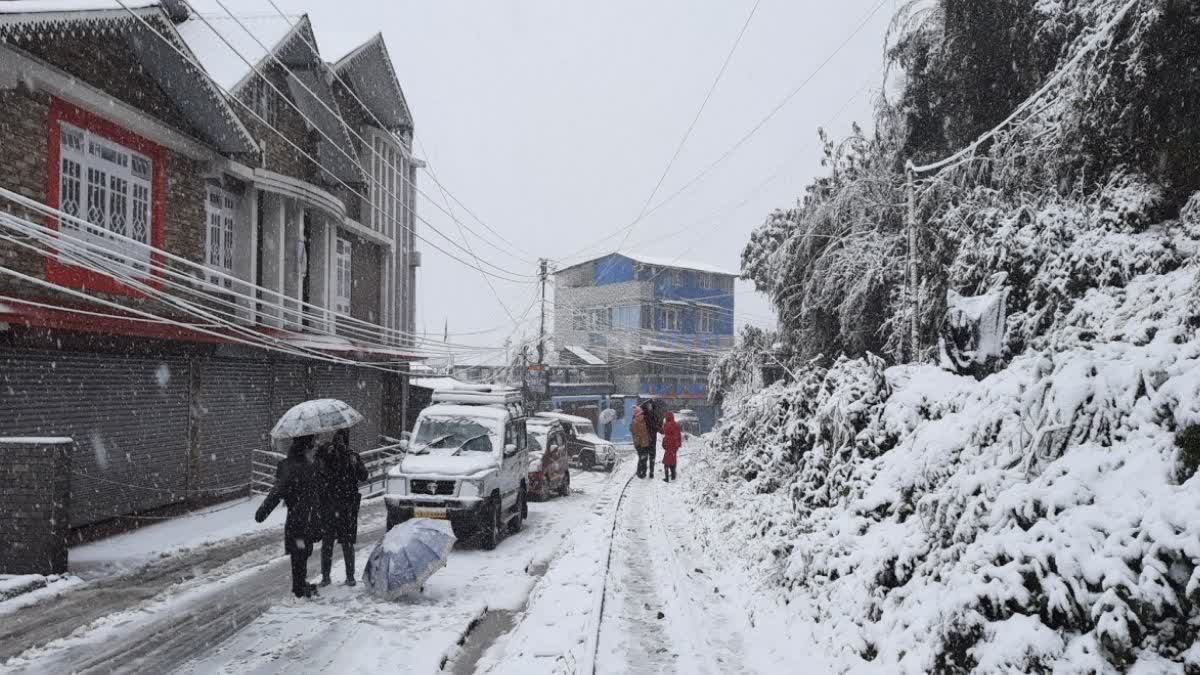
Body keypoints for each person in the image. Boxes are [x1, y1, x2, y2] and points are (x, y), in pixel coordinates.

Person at [255, 434, 324, 598]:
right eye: (311, 446)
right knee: (301, 552)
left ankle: (300, 584)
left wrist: (263, 511)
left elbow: (277, 492)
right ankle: (299, 588)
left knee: (300, 553)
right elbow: (280, 491)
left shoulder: (290, 466)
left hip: (297, 520)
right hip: (305, 519)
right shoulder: (306, 467)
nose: (313, 449)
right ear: (305, 448)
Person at [318, 428, 368, 587]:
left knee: (335, 544)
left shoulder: (349, 457)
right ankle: (341, 577)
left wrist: (354, 463)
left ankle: (337, 577)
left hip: (339, 508)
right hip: (339, 507)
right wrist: (326, 454)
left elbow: (364, 476)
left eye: (341, 441)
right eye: (337, 441)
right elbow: (319, 473)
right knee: (339, 543)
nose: (339, 444)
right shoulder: (330, 455)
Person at [641, 400, 663, 479]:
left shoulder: (644, 414)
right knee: (651, 455)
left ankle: (646, 472)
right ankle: (650, 472)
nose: (649, 407)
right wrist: (658, 427)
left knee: (646, 455)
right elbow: (657, 425)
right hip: (650, 437)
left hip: (647, 438)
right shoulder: (652, 414)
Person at [630, 405, 652, 478]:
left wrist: (648, 439)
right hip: (640, 444)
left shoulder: (642, 421)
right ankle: (640, 472)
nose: (642, 415)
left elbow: (645, 432)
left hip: (645, 443)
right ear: (637, 414)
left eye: (642, 414)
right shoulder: (635, 422)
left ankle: (643, 472)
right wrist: (639, 444)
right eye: (641, 414)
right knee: (642, 458)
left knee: (644, 458)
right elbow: (636, 434)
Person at [661, 411, 681, 483]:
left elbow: (665, 434)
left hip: (667, 444)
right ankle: (673, 475)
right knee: (673, 460)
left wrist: (664, 444)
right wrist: (678, 444)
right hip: (674, 445)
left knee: (666, 462)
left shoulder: (665, 425)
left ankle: (666, 477)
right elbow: (678, 435)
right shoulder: (675, 425)